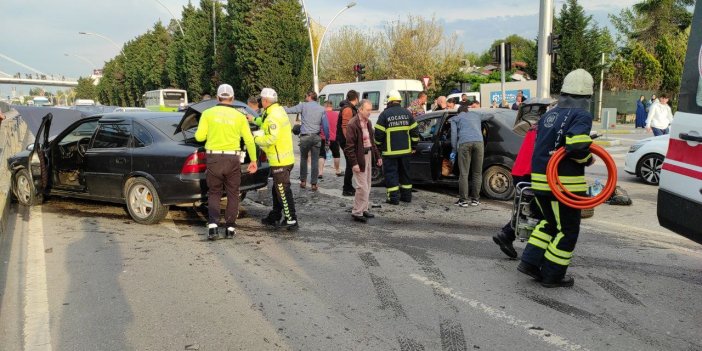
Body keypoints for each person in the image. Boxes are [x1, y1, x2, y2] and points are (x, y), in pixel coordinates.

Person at [519, 68, 596, 288]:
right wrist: (587, 159)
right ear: (586, 96)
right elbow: (577, 144)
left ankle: (530, 263)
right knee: (568, 230)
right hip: (564, 185)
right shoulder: (581, 115)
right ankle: (553, 275)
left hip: (542, 181)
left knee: (549, 223)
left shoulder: (549, 114)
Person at [194, 84, 258, 240]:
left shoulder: (207, 114)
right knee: (233, 194)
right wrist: (254, 160)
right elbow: (249, 140)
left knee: (214, 192)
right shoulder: (239, 116)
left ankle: (213, 226)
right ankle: (230, 228)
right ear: (232, 98)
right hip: (232, 159)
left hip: (214, 159)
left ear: (217, 98)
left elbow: (199, 138)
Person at [253, 88, 298, 230]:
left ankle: (292, 220)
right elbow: (264, 121)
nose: (260, 102)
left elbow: (271, 138)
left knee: (282, 190)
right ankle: (275, 215)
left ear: (265, 101)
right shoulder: (276, 110)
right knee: (277, 189)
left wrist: (255, 138)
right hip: (285, 158)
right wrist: (253, 119)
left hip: (280, 160)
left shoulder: (273, 116)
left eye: (261, 99)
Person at [493, 124, 538, 258]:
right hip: (529, 172)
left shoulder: (537, 126)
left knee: (525, 209)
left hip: (520, 169)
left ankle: (507, 235)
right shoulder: (550, 127)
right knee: (535, 211)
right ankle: (508, 236)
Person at [375, 90, 419, 204]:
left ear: (389, 101)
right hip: (405, 152)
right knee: (405, 174)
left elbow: (378, 134)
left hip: (390, 153)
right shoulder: (407, 113)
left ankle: (393, 198)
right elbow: (415, 132)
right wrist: (414, 146)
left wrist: (379, 146)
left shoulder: (384, 114)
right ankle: (406, 197)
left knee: (391, 174)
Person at [345, 100, 382, 223]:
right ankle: (357, 212)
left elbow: (372, 141)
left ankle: (364, 208)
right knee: (362, 186)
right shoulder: (353, 124)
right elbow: (349, 147)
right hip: (359, 157)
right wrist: (354, 163)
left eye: (371, 110)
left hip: (368, 155)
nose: (370, 112)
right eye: (368, 110)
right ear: (360, 110)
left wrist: (378, 157)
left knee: (367, 184)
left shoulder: (368, 123)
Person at [285, 91, 330, 191]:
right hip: (316, 137)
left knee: (304, 159)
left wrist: (280, 108)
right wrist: (327, 139)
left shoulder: (303, 106)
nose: (305, 97)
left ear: (310, 97)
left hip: (305, 137)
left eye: (306, 96)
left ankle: (303, 181)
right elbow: (326, 126)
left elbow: (289, 110)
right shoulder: (322, 109)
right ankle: (314, 184)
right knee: (315, 161)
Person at [450, 101, 484, 207]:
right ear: (467, 110)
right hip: (479, 143)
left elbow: (454, 135)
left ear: (458, 112)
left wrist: (454, 150)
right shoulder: (477, 116)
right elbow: (490, 115)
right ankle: (475, 200)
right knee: (477, 173)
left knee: (464, 173)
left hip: (464, 144)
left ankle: (463, 200)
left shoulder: (455, 119)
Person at [337, 90, 360, 196]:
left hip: (345, 140)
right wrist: (349, 141)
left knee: (350, 164)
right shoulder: (348, 109)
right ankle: (347, 188)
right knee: (350, 164)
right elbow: (345, 126)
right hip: (345, 141)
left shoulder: (349, 107)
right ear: (356, 98)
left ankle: (348, 186)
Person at [318, 101, 343, 178]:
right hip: (334, 138)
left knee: (321, 155)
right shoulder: (337, 115)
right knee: (336, 155)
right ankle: (337, 170)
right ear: (331, 106)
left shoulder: (322, 115)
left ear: (324, 106)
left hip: (323, 137)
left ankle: (321, 172)